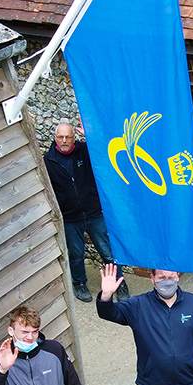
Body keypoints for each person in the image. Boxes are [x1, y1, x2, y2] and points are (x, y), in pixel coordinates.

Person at [43, 121, 128, 303]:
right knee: (76, 254)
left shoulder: (85, 151)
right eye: (61, 137)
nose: (64, 140)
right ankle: (79, 284)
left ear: (74, 138)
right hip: (70, 217)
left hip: (94, 213)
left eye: (68, 137)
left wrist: (91, 135)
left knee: (108, 252)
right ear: (55, 138)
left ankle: (119, 283)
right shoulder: (48, 161)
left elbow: (105, 149)